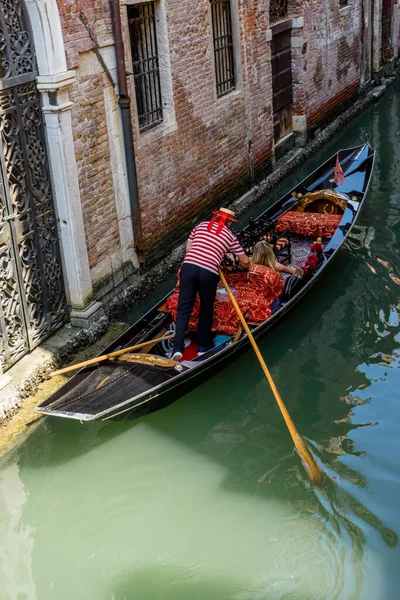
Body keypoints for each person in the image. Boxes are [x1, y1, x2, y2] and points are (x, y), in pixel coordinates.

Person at [170, 208, 249, 361]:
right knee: (206, 308)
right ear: (229, 222)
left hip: (189, 267)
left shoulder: (200, 226)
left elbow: (188, 249)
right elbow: (245, 261)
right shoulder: (230, 236)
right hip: (209, 273)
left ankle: (177, 348)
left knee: (184, 308)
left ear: (215, 216)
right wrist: (223, 255)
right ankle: (203, 346)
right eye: (231, 223)